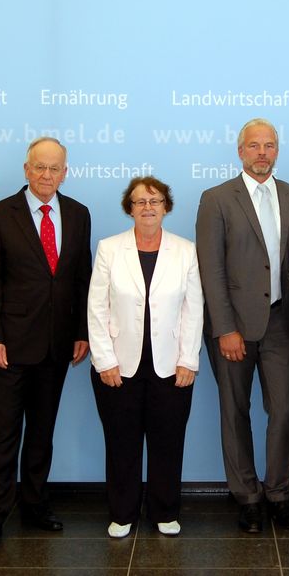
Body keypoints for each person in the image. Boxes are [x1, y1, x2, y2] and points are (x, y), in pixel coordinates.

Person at [0, 137, 92, 552]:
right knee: (1, 435)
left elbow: (81, 279)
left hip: (57, 346)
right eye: (39, 167)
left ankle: (35, 505)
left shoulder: (78, 214)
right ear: (26, 170)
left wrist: (82, 331)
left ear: (65, 173)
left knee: (42, 433)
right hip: (9, 346)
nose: (46, 175)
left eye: (54, 168)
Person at [195, 118, 289, 534]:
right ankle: (246, 497)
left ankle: (279, 494)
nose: (262, 153)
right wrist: (225, 327)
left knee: (285, 411)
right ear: (240, 150)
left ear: (277, 150)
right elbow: (211, 269)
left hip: (284, 322)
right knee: (235, 411)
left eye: (269, 145)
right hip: (234, 327)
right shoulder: (216, 199)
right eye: (254, 145)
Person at [87, 176, 203, 538]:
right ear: (130, 208)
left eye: (155, 201)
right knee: (121, 441)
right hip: (119, 366)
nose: (148, 207)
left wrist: (188, 359)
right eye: (140, 202)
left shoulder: (185, 250)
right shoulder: (109, 248)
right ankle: (122, 512)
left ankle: (164, 510)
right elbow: (96, 307)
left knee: (168, 441)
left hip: (171, 365)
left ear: (166, 207)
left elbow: (193, 309)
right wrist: (104, 360)